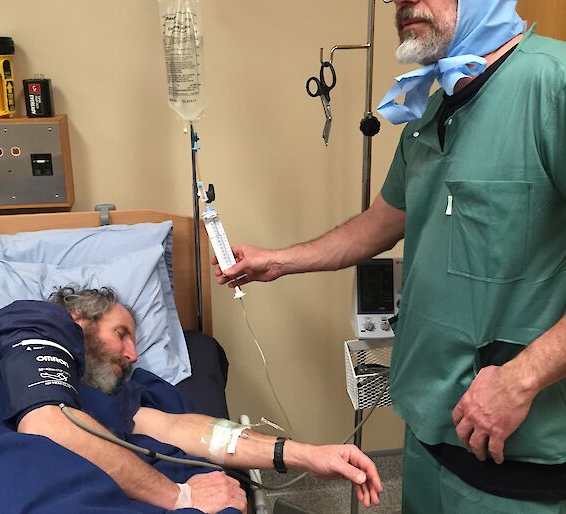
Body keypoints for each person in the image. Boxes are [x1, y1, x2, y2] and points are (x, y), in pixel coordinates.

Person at [213, 0, 566, 512]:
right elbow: (379, 224)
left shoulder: (551, 84)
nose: (403, 3)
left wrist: (522, 376)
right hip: (428, 428)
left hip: (518, 450)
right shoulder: (429, 109)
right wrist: (280, 260)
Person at [0, 286, 383, 514]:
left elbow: (182, 429)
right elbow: (48, 425)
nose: (131, 355)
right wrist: (179, 496)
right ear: (80, 319)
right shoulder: (39, 321)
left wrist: (304, 455)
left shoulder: (116, 392)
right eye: (121, 333)